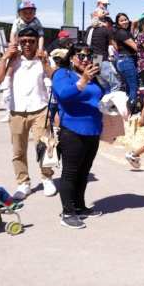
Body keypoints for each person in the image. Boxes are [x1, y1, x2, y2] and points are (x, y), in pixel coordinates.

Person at [0, 24, 57, 199]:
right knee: (18, 150)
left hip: (40, 108)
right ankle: (23, 183)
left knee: (45, 146)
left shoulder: (44, 58)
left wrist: (44, 61)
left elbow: (54, 77)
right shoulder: (13, 59)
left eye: (31, 41)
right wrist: (6, 57)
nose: (27, 44)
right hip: (17, 110)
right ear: (19, 42)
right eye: (24, 41)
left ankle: (47, 178)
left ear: (37, 42)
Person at [50, 41, 103, 229]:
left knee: (84, 171)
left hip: (93, 129)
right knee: (70, 173)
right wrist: (83, 80)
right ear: (71, 58)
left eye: (89, 55)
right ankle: (67, 212)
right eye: (81, 55)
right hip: (73, 129)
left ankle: (80, 206)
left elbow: (99, 95)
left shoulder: (93, 75)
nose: (86, 59)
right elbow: (64, 94)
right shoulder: (62, 73)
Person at [111, 12, 141, 110]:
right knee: (133, 87)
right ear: (118, 23)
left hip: (123, 60)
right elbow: (136, 47)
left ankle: (127, 111)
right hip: (127, 60)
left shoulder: (123, 32)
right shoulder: (122, 32)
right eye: (122, 20)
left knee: (129, 87)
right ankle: (131, 111)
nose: (125, 22)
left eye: (126, 19)